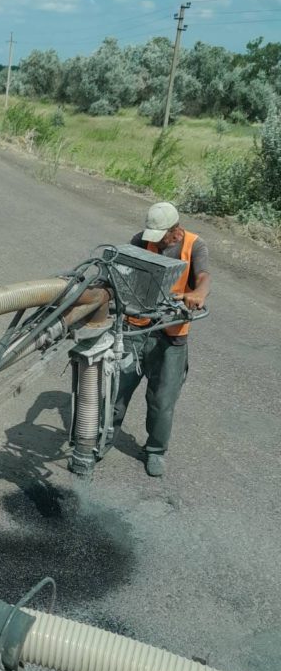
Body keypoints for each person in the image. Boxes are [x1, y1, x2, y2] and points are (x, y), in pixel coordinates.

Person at [112, 202, 211, 478]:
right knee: (117, 389)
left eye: (162, 236)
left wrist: (199, 294)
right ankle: (103, 437)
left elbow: (204, 277)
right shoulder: (141, 240)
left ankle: (155, 451)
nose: (154, 241)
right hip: (138, 328)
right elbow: (124, 272)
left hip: (172, 335)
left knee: (162, 400)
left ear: (176, 230)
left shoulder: (195, 245)